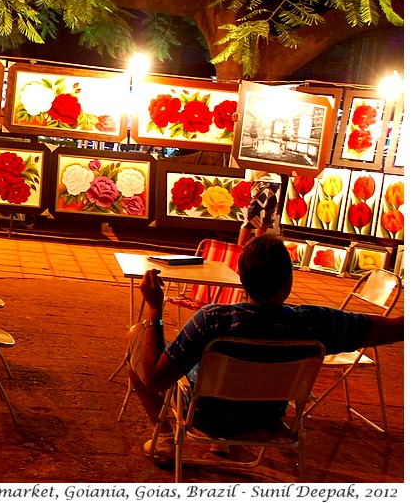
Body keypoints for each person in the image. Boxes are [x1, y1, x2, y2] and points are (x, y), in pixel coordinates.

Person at [126, 235, 403, 461]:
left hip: (204, 417)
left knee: (138, 338)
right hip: (265, 420)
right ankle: (221, 443)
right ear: (288, 282)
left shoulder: (212, 320)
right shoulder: (317, 323)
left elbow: (154, 379)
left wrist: (155, 311)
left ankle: (164, 437)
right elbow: (393, 329)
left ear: (242, 280)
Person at [237, 169, 282, 246]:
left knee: (265, 221)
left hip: (275, 180)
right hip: (258, 179)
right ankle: (238, 253)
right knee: (250, 220)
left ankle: (257, 251)